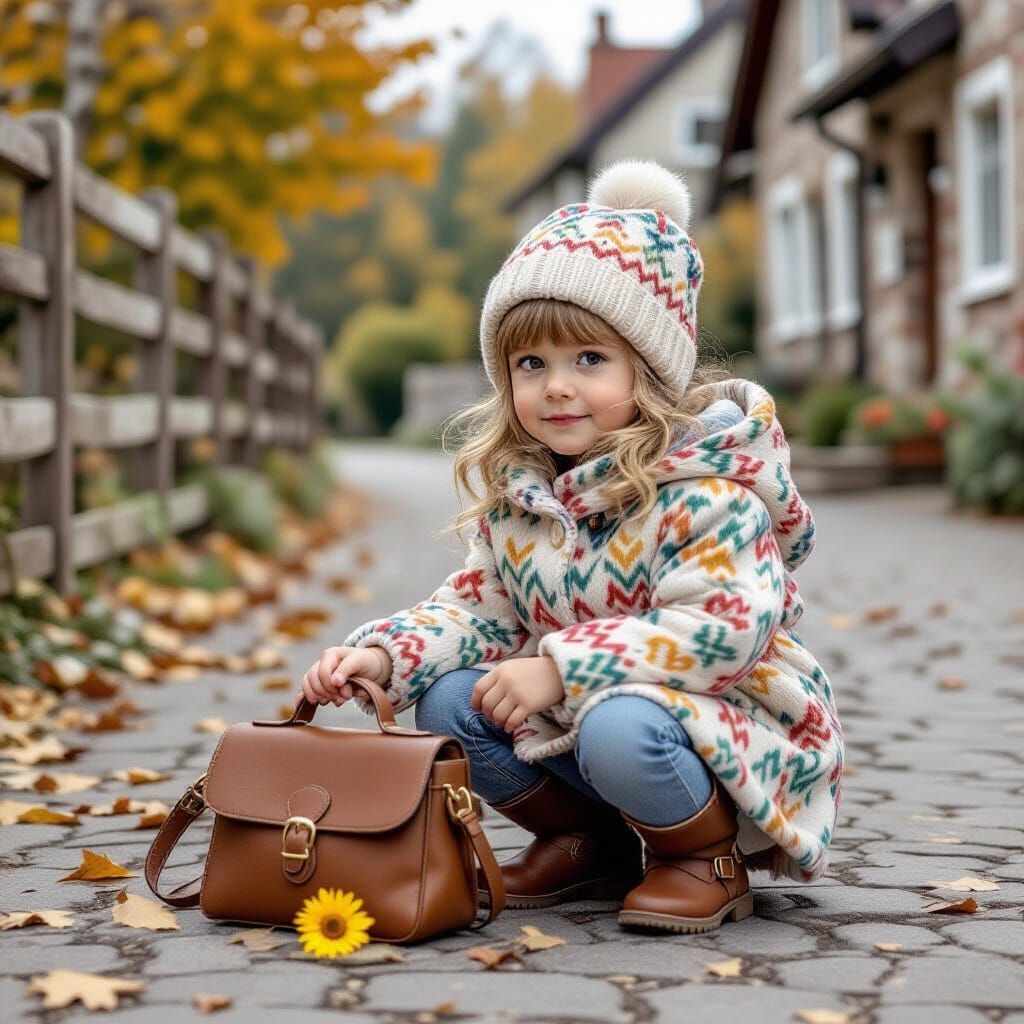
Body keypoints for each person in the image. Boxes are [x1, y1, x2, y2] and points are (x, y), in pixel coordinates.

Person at [301, 159, 844, 935]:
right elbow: (476, 613)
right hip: (592, 711)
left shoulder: (708, 496)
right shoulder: (525, 501)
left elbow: (722, 634)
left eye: (588, 360)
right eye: (532, 364)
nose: (556, 386)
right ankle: (588, 842)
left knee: (617, 722)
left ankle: (702, 858)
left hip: (726, 724)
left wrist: (559, 664)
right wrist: (384, 656)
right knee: (450, 700)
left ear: (648, 371)